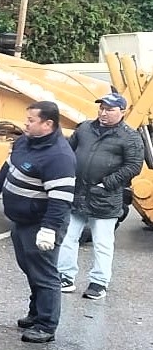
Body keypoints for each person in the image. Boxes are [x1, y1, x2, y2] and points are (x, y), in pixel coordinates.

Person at [0, 100, 76, 343]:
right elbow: (9, 166)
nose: (26, 123)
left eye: (31, 120)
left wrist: (49, 230)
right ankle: (35, 314)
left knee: (45, 274)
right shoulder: (25, 141)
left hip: (40, 223)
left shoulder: (59, 157)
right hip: (21, 221)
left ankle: (46, 326)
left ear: (48, 124)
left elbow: (61, 198)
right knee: (30, 268)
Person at [56, 91, 144, 300]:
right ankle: (65, 277)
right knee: (68, 237)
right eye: (101, 108)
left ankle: (99, 282)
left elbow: (133, 166)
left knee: (102, 242)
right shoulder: (85, 128)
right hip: (78, 193)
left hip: (105, 197)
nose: (103, 113)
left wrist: (108, 184)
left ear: (122, 112)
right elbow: (68, 151)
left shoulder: (130, 137)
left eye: (109, 109)